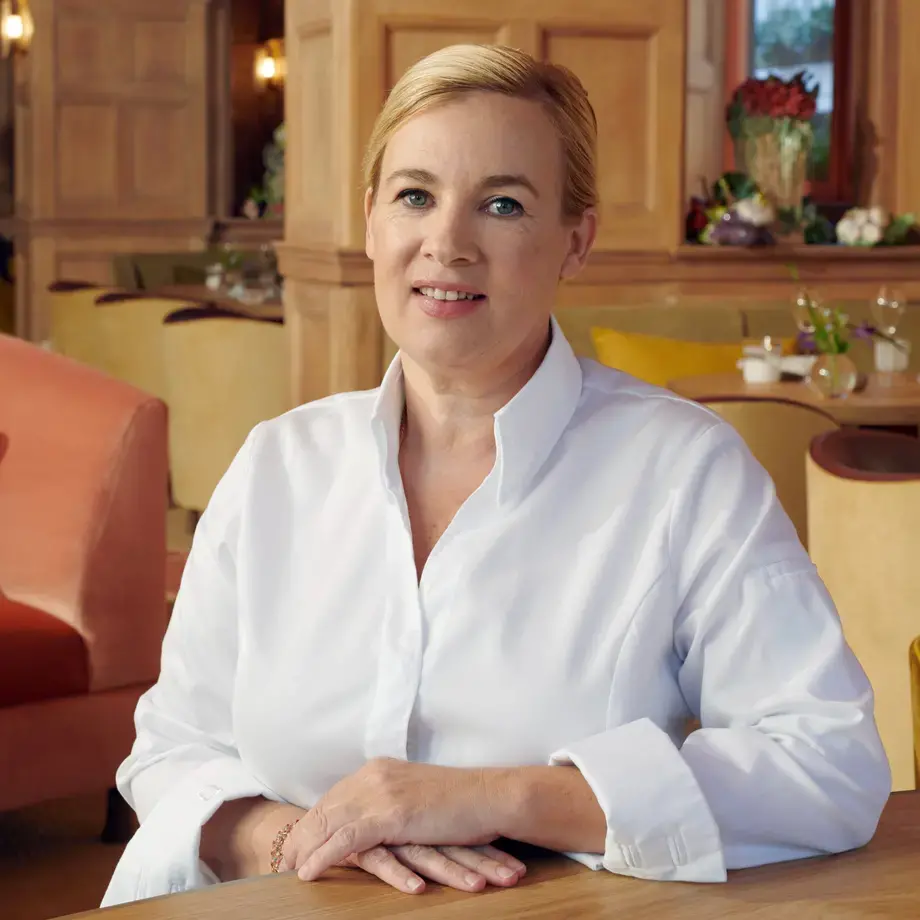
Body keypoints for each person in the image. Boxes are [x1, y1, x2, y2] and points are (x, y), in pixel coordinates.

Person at [102, 44, 890, 906]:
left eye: (502, 204)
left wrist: (498, 797)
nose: (446, 244)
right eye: (415, 196)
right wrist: (297, 840)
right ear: (371, 222)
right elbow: (170, 748)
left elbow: (828, 762)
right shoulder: (276, 466)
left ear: (575, 242)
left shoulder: (683, 471)